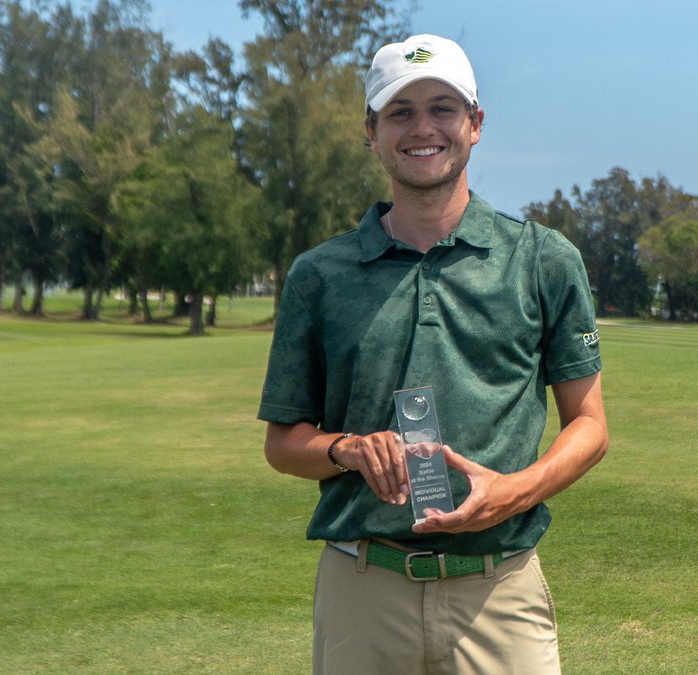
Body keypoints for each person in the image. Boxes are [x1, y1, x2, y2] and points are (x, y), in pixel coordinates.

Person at [258, 33, 608, 675]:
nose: (424, 128)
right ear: (372, 131)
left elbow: (589, 425)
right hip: (363, 587)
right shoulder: (320, 274)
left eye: (443, 108)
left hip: (499, 589)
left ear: (475, 124)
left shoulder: (543, 259)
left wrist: (516, 491)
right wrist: (345, 449)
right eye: (401, 111)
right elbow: (283, 443)